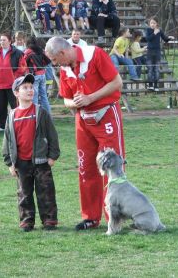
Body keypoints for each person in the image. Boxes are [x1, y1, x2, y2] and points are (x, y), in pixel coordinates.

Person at [45, 36, 125, 231]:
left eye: (55, 60)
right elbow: (66, 100)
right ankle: (90, 217)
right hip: (83, 120)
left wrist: (91, 98)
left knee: (112, 166)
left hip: (106, 114)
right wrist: (76, 103)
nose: (55, 65)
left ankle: (115, 217)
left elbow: (117, 83)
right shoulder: (65, 69)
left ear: (63, 53)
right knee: (85, 167)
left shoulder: (95, 54)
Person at [2, 74, 60, 232]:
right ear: (16, 92)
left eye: (31, 87)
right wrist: (10, 163)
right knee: (24, 194)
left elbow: (52, 135)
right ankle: (27, 221)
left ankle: (49, 220)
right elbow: (7, 140)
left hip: (41, 161)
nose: (30, 90)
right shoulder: (12, 115)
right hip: (21, 163)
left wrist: (52, 156)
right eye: (25, 88)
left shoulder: (40, 112)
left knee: (46, 192)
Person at [0, 32, 27, 131]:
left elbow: (23, 67)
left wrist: (14, 77)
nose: (2, 42)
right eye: (1, 40)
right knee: (0, 107)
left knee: (15, 106)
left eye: (4, 40)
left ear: (10, 41)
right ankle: (2, 125)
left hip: (12, 85)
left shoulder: (18, 53)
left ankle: (19, 124)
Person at [145, 17, 174, 91]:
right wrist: (154, 33)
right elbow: (148, 39)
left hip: (157, 52)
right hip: (150, 52)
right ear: (149, 24)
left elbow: (165, 39)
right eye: (151, 23)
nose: (152, 24)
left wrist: (169, 38)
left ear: (156, 23)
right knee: (150, 69)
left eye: (154, 23)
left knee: (156, 69)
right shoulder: (148, 30)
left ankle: (156, 85)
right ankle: (150, 85)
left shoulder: (159, 31)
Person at [24, 36, 52, 113]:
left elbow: (23, 62)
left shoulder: (28, 52)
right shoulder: (41, 50)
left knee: (34, 96)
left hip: (34, 76)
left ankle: (34, 115)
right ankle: (48, 115)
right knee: (44, 96)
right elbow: (48, 61)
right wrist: (42, 65)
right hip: (43, 75)